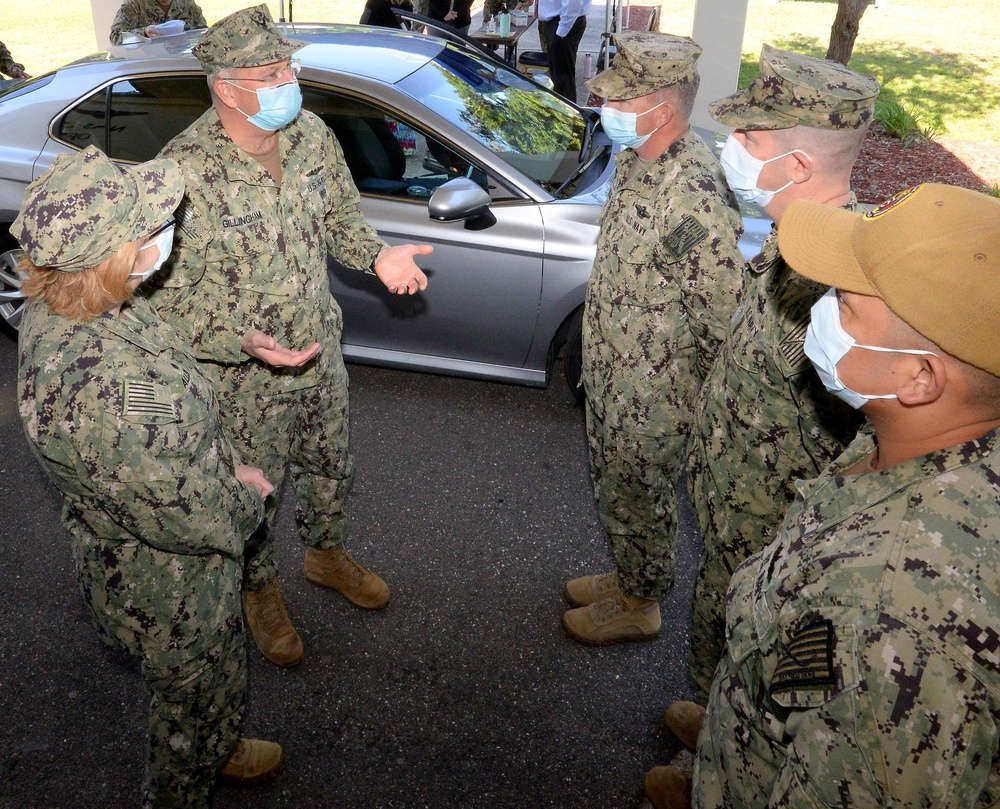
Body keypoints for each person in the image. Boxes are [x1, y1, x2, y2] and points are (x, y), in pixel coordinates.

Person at [654, 183, 1000, 808]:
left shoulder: (895, 620)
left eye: (843, 303)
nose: (817, 310)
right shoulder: (906, 437)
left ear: (919, 377)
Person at [145, 5, 432, 669]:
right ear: (226, 87)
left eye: (288, 66)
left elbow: (342, 222)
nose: (289, 79)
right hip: (241, 376)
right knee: (255, 489)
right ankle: (259, 588)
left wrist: (378, 256)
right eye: (272, 72)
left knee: (331, 462)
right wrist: (241, 339)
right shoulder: (181, 173)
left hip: (318, 352)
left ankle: (327, 554)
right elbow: (163, 302)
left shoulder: (311, 136)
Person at [15, 145, 283, 808]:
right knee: (189, 701)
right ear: (109, 254)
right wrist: (247, 495)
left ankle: (218, 740)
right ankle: (194, 765)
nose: (164, 233)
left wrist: (234, 342)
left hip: (164, 546)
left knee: (209, 688)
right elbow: (189, 511)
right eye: (147, 229)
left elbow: (165, 360)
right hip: (170, 587)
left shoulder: (81, 303)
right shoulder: (103, 394)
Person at [676, 45, 879, 714]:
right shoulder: (790, 243)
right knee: (717, 636)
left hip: (774, 552)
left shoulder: (849, 299)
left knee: (757, 683)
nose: (731, 146)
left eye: (748, 136)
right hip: (732, 523)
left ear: (796, 164)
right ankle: (703, 723)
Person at [561, 33, 744, 646]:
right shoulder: (642, 155)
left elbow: (719, 312)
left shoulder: (689, 190)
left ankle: (641, 602)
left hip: (654, 392)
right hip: (616, 370)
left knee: (641, 491)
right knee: (617, 487)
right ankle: (630, 576)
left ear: (661, 111)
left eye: (620, 99)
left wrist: (708, 409)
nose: (605, 107)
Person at [537, 0, 592, 103]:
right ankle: (564, 111)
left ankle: (566, 114)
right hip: (560, 22)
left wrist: (561, 31)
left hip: (563, 22)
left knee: (563, 79)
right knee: (559, 78)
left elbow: (573, 3)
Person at [110, 0, 208, 45]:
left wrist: (187, 40)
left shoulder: (187, 5)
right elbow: (115, 37)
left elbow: (204, 35)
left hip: (181, 66)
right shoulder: (134, 6)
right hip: (150, 70)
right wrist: (144, 33)